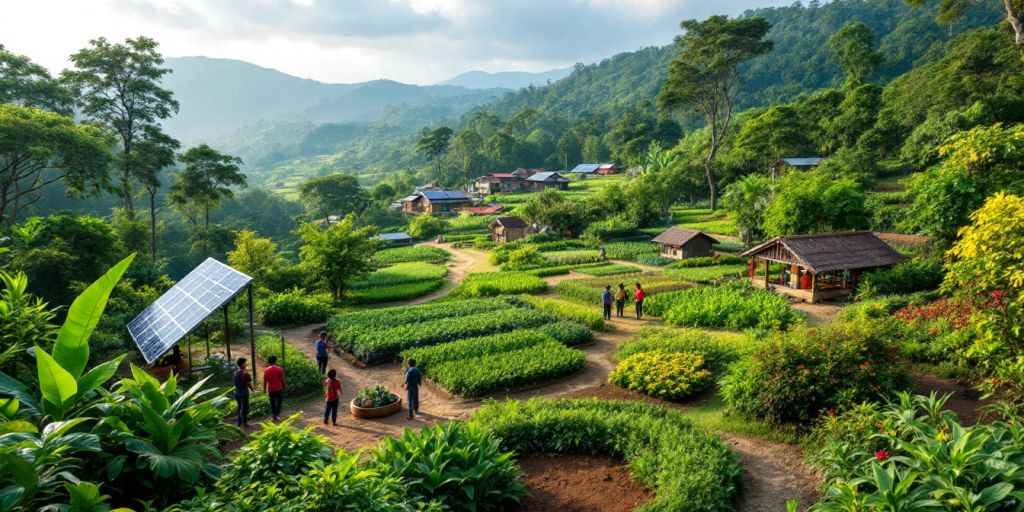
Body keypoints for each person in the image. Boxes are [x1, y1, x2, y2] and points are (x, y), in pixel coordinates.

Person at [262, 356, 287, 421]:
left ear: (268, 362)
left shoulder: (266, 370)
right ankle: (277, 414)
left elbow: (265, 381)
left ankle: (274, 416)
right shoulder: (279, 369)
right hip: (279, 388)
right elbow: (282, 380)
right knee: (279, 402)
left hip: (271, 390)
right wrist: (285, 387)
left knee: (272, 403)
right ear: (275, 361)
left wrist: (264, 390)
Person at [232, 357, 253, 427]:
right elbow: (248, 383)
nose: (246, 364)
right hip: (244, 393)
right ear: (242, 364)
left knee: (239, 407)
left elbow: (234, 383)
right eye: (245, 363)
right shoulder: (245, 373)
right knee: (245, 408)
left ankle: (239, 421)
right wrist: (252, 389)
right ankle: (245, 422)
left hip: (237, 392)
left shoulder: (235, 373)